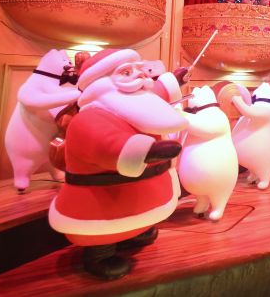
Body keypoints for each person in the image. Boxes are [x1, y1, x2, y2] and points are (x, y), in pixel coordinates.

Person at [47, 48, 188, 280]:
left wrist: (174, 80)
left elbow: (153, 97)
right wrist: (144, 152)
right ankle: (100, 254)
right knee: (103, 231)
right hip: (103, 204)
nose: (141, 76)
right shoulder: (89, 119)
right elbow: (106, 145)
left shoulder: (134, 101)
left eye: (140, 70)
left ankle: (136, 233)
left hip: (145, 196)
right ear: (100, 83)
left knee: (140, 222)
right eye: (126, 72)